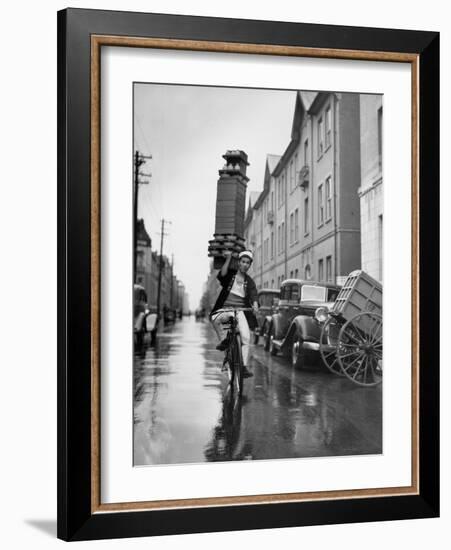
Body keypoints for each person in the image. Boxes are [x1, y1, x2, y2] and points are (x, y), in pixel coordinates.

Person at [210, 250, 259, 378]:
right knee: (215, 319)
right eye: (243, 262)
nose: (245, 265)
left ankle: (243, 367)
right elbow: (222, 275)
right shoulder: (231, 275)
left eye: (248, 263)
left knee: (246, 337)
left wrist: (255, 304)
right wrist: (228, 259)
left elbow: (254, 293)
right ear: (239, 263)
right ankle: (224, 341)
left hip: (240, 311)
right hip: (225, 309)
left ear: (250, 265)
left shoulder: (249, 281)